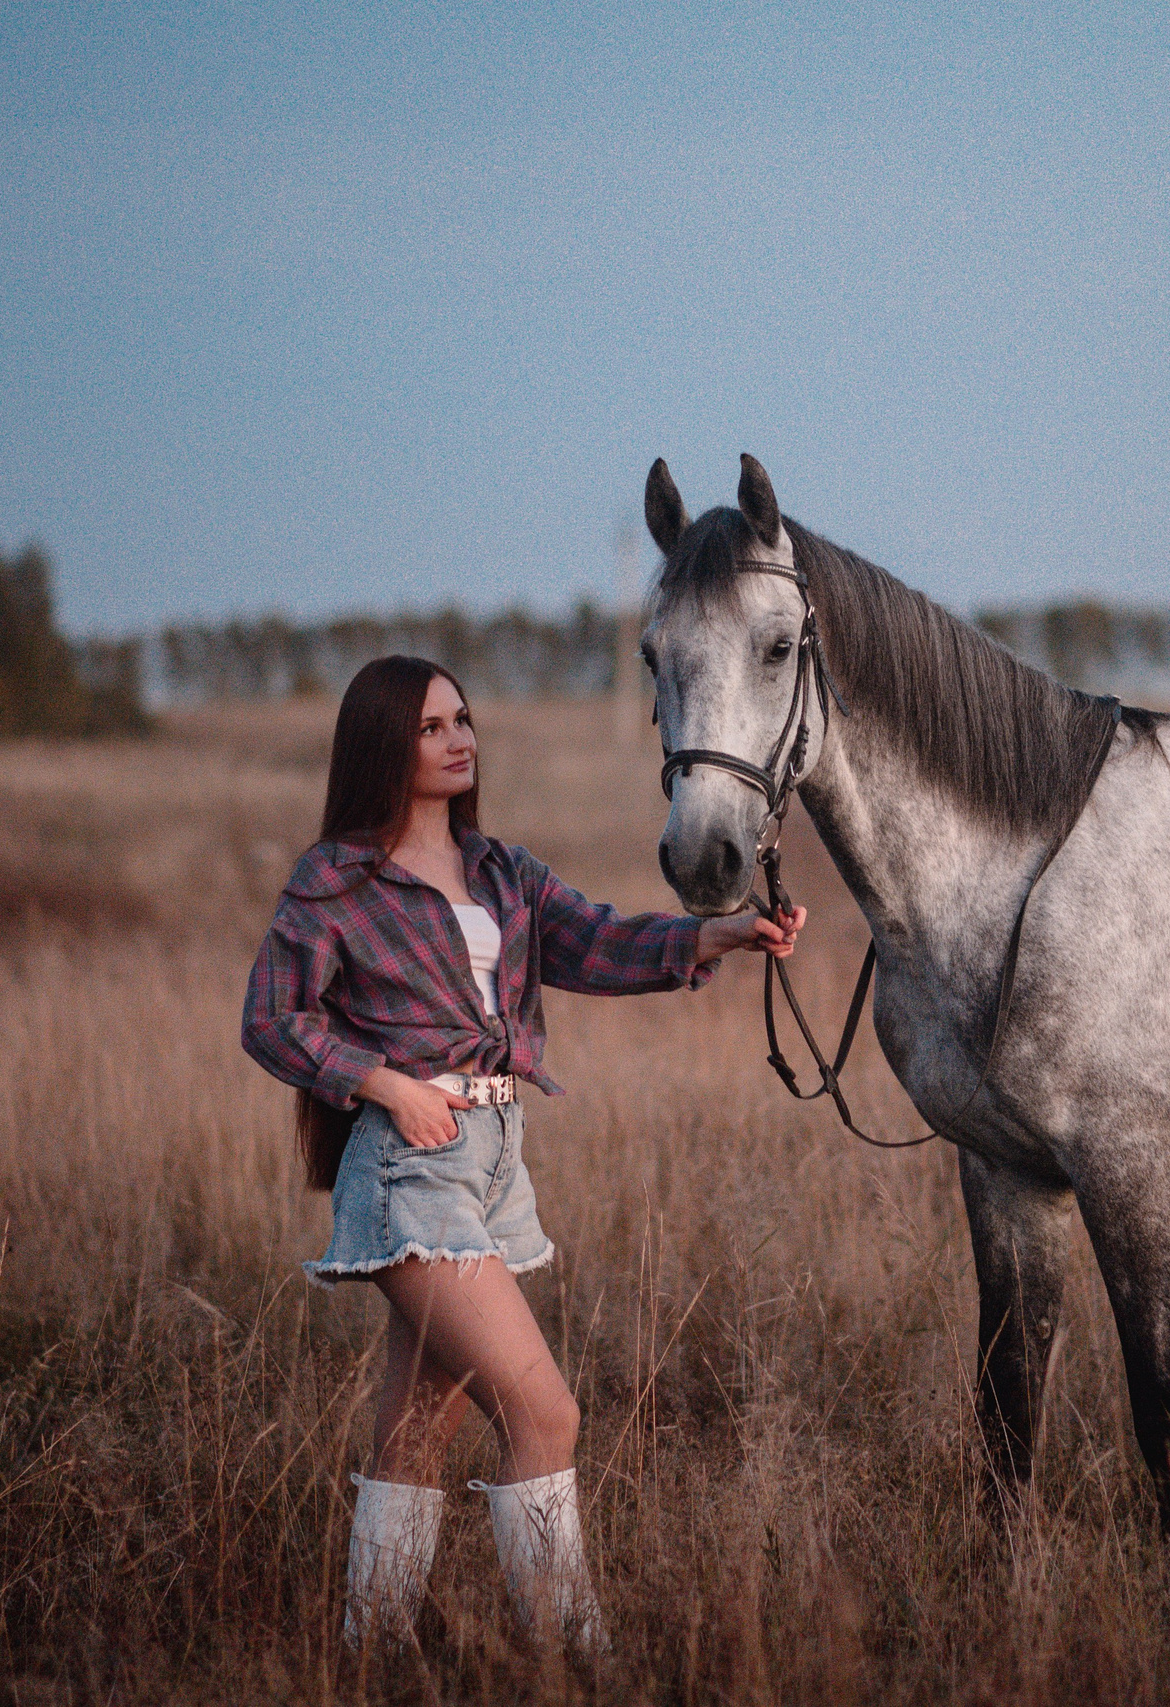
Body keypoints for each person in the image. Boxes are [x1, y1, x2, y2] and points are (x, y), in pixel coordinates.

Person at [241, 654, 801, 1649]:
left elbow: (599, 944)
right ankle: (568, 1646)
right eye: (429, 728)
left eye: (462, 720)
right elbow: (272, 1021)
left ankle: (371, 1642)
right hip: (410, 1167)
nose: (459, 739)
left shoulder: (503, 871)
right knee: (545, 1413)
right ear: (382, 746)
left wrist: (722, 936)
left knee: (420, 1424)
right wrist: (383, 1083)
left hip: (497, 1161)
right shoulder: (337, 882)